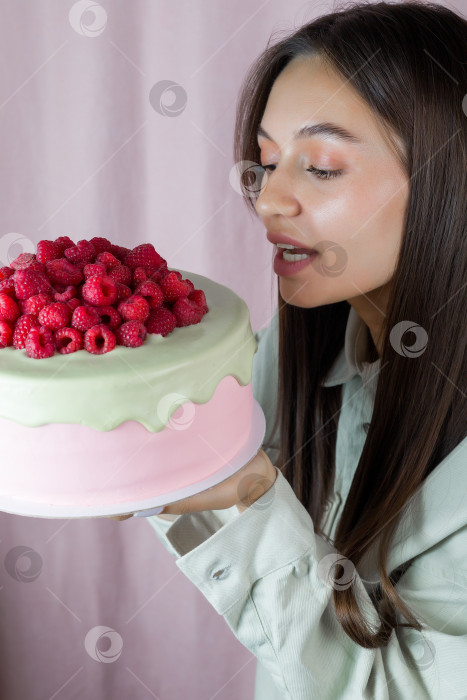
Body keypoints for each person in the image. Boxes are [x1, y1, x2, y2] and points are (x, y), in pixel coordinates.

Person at [112, 1, 467, 697]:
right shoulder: (304, 354)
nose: (267, 199)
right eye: (266, 162)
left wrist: (234, 495)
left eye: (322, 167)